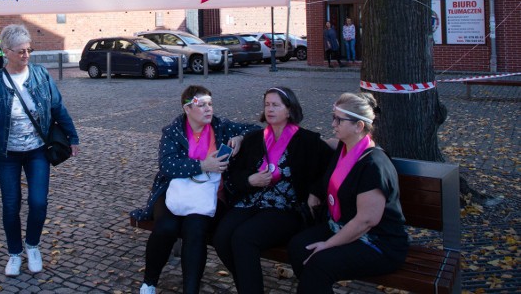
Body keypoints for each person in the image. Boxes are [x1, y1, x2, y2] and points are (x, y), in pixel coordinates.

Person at [0, 24, 80, 277]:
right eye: (20, 51)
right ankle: (14, 253)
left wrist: (73, 136)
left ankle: (32, 245)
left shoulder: (41, 75)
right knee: (11, 205)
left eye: (29, 50)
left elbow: (58, 108)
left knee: (38, 202)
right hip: (7, 154)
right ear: (6, 52)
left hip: (37, 151)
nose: (26, 55)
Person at [131, 85, 256, 294]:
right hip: (174, 191)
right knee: (165, 227)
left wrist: (241, 137)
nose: (208, 109)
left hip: (208, 195)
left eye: (210, 104)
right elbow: (167, 165)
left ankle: (191, 290)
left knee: (195, 230)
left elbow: (255, 129)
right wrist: (201, 166)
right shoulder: (173, 132)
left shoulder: (221, 127)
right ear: (187, 109)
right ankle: (149, 282)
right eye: (202, 105)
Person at [212, 87, 333, 294]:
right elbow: (235, 174)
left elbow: (331, 167)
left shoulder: (307, 141)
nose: (270, 109)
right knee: (221, 237)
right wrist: (250, 179)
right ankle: (248, 285)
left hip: (285, 207)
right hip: (251, 200)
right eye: (267, 104)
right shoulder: (253, 139)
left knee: (243, 237)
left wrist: (315, 192)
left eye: (276, 105)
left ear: (289, 109)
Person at [287, 92, 408, 294]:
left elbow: (366, 221)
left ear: (359, 126)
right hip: (341, 226)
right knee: (298, 247)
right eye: (333, 117)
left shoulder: (374, 165)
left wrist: (328, 244)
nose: (333, 124)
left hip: (378, 242)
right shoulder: (345, 149)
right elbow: (329, 169)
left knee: (319, 263)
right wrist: (315, 192)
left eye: (339, 120)